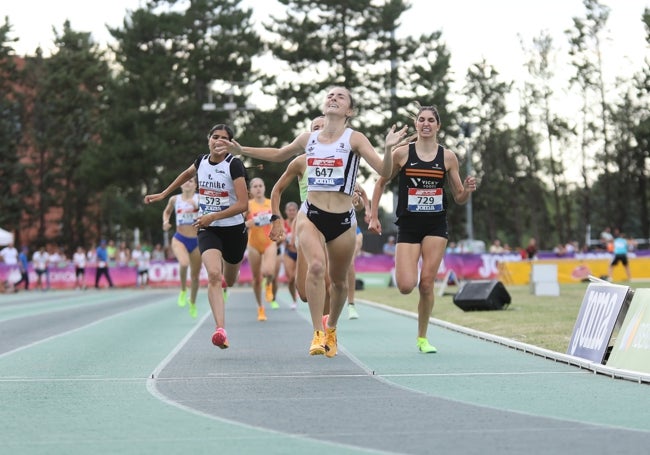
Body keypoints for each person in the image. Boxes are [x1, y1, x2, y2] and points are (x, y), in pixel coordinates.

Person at [221, 86, 407, 357]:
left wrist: (389, 149)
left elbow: (384, 171)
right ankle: (317, 333)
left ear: (349, 111)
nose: (333, 98)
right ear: (324, 105)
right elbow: (278, 153)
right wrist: (241, 149)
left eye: (340, 96)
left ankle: (331, 326)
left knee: (340, 282)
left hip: (343, 220)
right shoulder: (309, 139)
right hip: (312, 215)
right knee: (316, 266)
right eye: (330, 95)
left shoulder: (355, 139)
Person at [369, 105, 477, 354]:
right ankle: (419, 326)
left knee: (427, 284)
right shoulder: (402, 154)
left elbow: (459, 197)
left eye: (431, 120)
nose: (426, 123)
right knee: (407, 285)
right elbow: (380, 182)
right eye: (421, 120)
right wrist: (373, 215)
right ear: (416, 125)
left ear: (438, 126)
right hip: (408, 225)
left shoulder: (448, 157)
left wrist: (468, 190)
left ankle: (422, 337)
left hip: (435, 225)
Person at [144, 123, 249, 349]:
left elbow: (243, 204)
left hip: (233, 230)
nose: (218, 141)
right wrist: (164, 193)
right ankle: (220, 330)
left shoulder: (235, 165)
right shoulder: (201, 161)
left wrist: (215, 216)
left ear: (230, 143)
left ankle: (227, 274)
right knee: (213, 275)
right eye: (214, 136)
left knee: (228, 280)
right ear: (208, 139)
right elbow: (185, 174)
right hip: (207, 228)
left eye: (224, 138)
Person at [162, 175, 202, 317]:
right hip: (180, 238)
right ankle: (183, 290)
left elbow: (210, 214)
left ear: (195, 185)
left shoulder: (200, 198)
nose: (187, 183)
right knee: (184, 263)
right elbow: (166, 212)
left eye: (190, 181)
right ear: (180, 185)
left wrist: (196, 206)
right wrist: (165, 221)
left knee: (195, 276)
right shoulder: (175, 199)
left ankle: (192, 302)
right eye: (185, 181)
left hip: (197, 240)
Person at [245, 177, 279, 320]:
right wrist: (250, 222)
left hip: (269, 242)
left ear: (264, 188)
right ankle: (260, 308)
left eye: (260, 185)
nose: (258, 188)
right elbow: (241, 224)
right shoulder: (247, 205)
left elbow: (278, 220)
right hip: (253, 244)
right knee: (256, 279)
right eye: (255, 186)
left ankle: (269, 284)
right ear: (250, 190)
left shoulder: (271, 203)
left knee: (268, 271)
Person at [281, 201, 300, 309]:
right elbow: (278, 239)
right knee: (291, 279)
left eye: (294, 210)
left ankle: (300, 291)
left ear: (297, 211)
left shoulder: (301, 222)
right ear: (286, 212)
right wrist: (283, 238)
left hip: (300, 253)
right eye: (290, 210)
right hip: (288, 252)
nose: (292, 212)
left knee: (297, 277)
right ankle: (294, 300)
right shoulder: (283, 224)